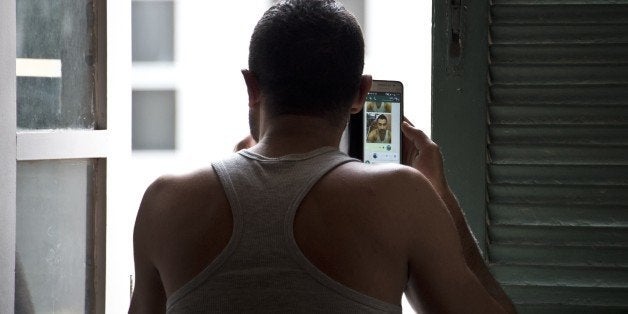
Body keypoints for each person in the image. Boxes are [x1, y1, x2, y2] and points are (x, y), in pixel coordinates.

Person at [129, 0, 516, 313]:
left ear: (251, 86)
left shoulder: (164, 202)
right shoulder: (402, 197)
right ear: (360, 94)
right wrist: (441, 198)